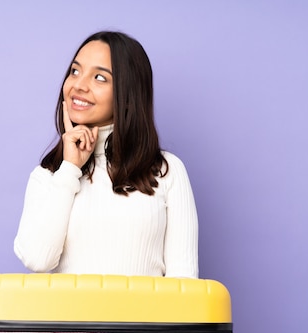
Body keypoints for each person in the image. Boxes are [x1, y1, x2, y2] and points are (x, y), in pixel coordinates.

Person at [14, 31, 199, 279]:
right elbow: (38, 259)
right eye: (75, 71)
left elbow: (184, 282)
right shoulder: (48, 176)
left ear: (128, 94)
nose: (78, 85)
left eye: (100, 77)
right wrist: (70, 168)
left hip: (147, 318)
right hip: (66, 318)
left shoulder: (167, 171)